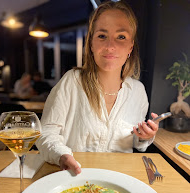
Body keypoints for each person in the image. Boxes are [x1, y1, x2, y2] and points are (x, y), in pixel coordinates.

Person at [36, 0, 159, 175]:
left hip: (120, 183)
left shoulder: (138, 92)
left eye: (121, 37)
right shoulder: (72, 82)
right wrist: (62, 155)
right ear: (91, 43)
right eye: (102, 36)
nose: (110, 46)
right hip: (75, 178)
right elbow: (46, 133)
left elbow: (136, 144)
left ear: (131, 46)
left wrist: (144, 137)